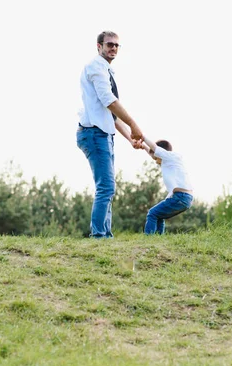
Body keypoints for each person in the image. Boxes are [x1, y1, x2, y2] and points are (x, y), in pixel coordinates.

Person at [76, 31, 144, 238]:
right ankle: (99, 236)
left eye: (116, 45)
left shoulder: (107, 70)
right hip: (93, 133)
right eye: (109, 45)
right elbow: (109, 101)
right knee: (105, 186)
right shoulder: (96, 67)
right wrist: (133, 124)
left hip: (103, 134)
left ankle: (105, 235)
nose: (113, 48)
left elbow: (111, 116)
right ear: (99, 46)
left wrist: (130, 138)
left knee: (108, 187)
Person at [139, 135, 194, 235]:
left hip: (180, 196)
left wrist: (143, 137)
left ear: (161, 152)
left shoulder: (169, 156)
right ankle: (160, 239)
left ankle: (147, 239)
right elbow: (153, 153)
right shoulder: (172, 161)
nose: (155, 161)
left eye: (156, 158)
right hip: (186, 198)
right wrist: (143, 146)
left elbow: (155, 149)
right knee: (159, 215)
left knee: (152, 213)